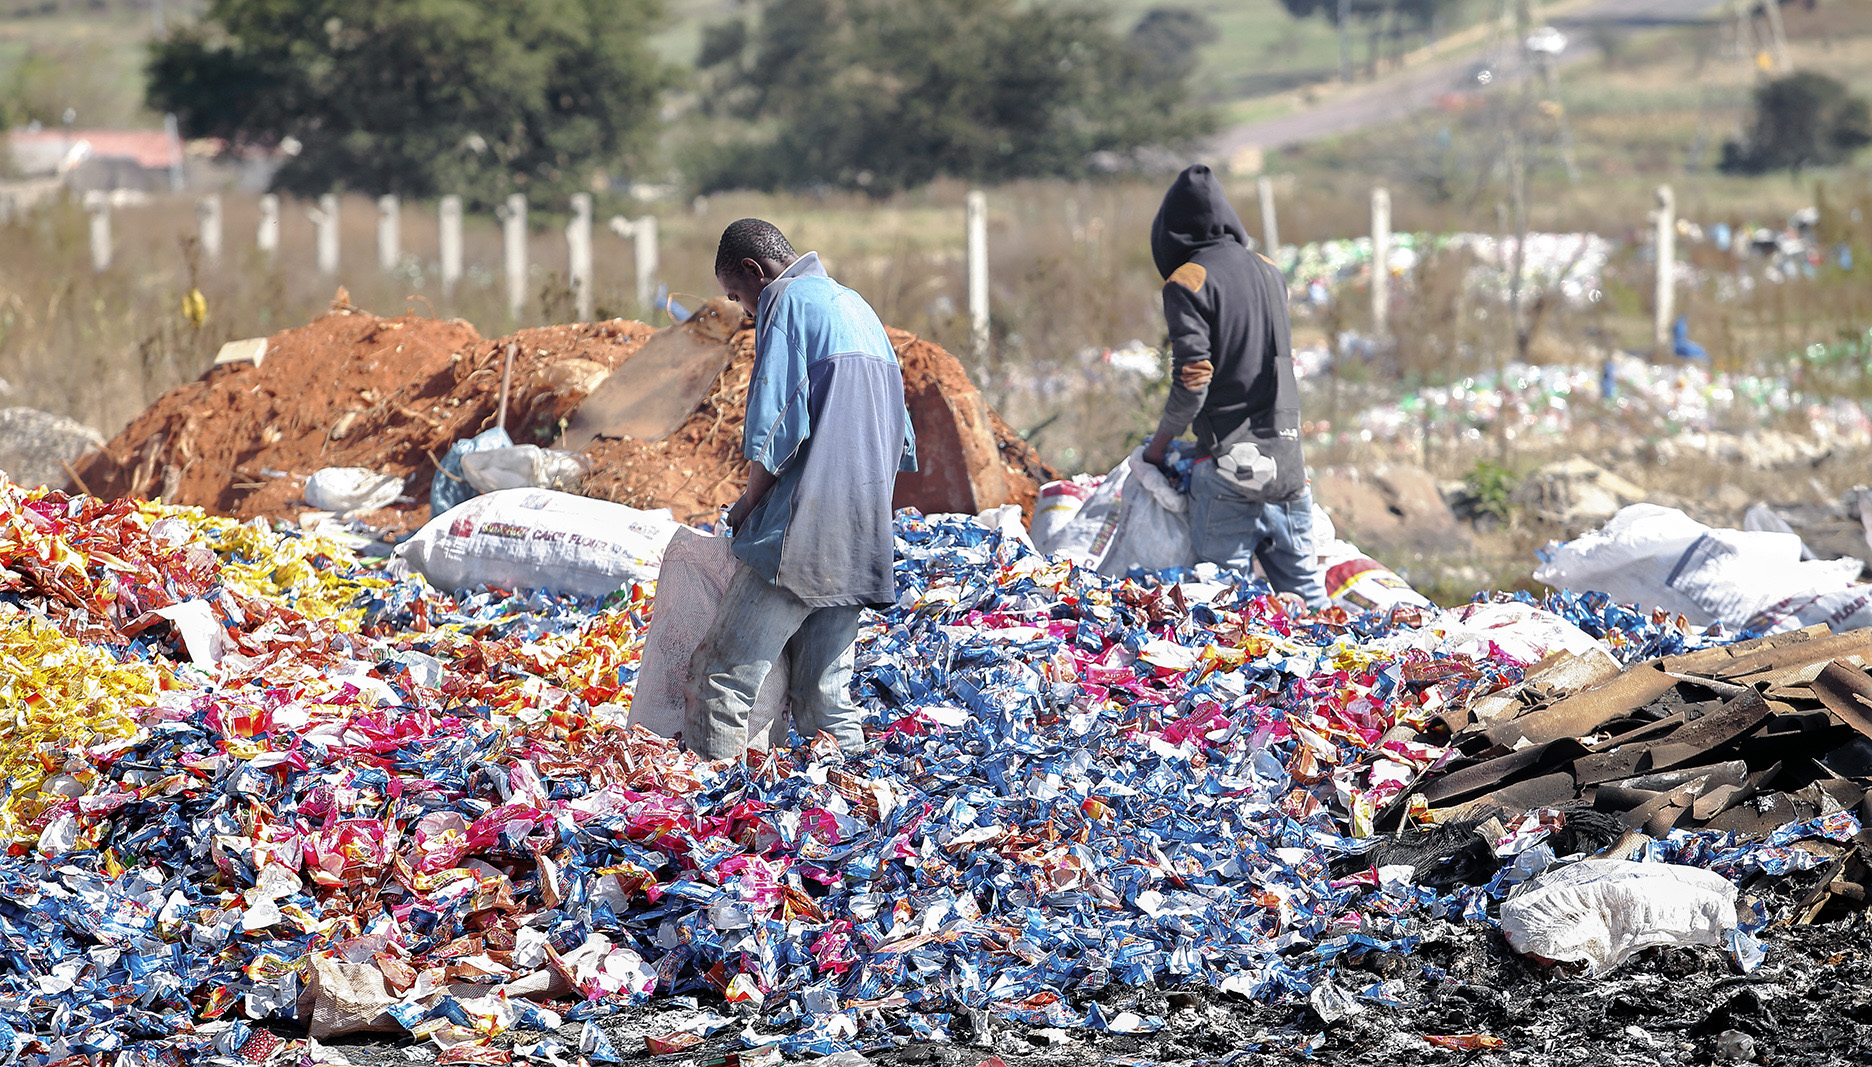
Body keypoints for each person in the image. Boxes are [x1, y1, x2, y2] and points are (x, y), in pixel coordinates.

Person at [685, 219, 917, 759]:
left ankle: (708, 828)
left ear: (753, 271)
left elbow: (776, 428)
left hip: (803, 531)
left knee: (719, 679)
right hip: (863, 532)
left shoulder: (787, 302)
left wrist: (745, 507)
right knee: (825, 700)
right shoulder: (858, 308)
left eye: (738, 296)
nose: (745, 312)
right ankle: (853, 817)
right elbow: (899, 438)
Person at [1140, 164, 1328, 609]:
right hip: (1289, 471)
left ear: (1172, 233)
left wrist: (1159, 446)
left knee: (1227, 613)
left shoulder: (1189, 281)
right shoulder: (1269, 271)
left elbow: (1194, 379)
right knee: (1316, 613)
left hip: (1230, 475)